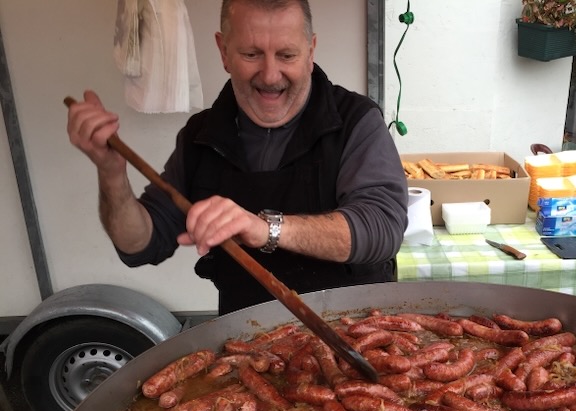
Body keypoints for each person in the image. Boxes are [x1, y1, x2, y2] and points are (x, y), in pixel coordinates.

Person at [67, 0, 409, 315]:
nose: (271, 75)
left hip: (358, 335)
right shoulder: (201, 136)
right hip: (249, 351)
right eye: (251, 54)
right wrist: (111, 172)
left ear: (310, 51)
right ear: (223, 51)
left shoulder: (355, 121)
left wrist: (265, 229)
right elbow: (140, 244)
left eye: (287, 55)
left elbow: (381, 226)